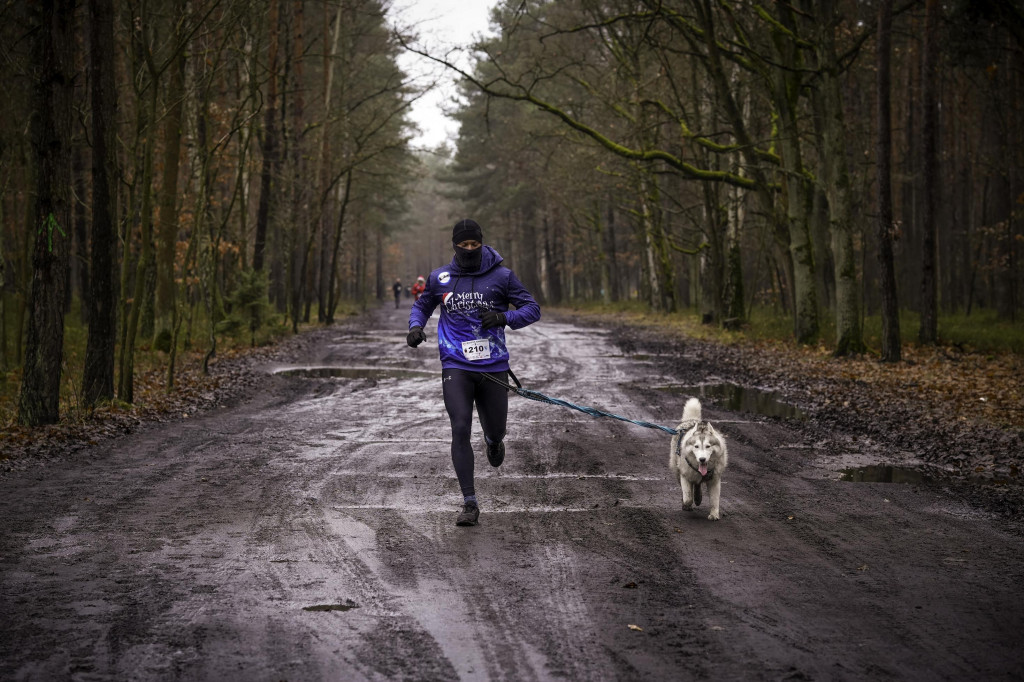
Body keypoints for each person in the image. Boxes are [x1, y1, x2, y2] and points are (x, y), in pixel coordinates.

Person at [407, 219, 541, 527]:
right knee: (460, 427)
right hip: (456, 364)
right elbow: (422, 306)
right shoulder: (439, 277)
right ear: (455, 245)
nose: (469, 249)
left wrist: (504, 316)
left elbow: (532, 309)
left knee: (495, 429)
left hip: (493, 367)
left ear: (481, 244)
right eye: (464, 245)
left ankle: (494, 441)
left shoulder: (502, 276)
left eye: (474, 244)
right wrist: (415, 327)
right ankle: (469, 503)